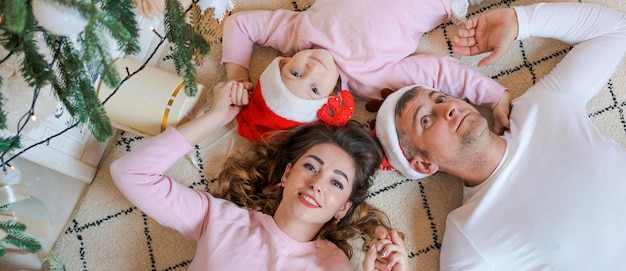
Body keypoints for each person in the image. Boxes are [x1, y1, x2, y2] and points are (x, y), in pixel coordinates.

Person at [375, 2, 626, 269]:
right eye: (426, 120)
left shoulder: (538, 109)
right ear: (424, 164)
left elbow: (615, 30)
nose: (448, 107)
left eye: (440, 97)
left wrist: (520, 21)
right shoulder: (469, 236)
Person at [110, 80, 408, 270]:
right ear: (287, 174)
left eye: (336, 182)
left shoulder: (333, 265)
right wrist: (215, 117)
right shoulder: (221, 219)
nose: (317, 183)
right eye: (311, 167)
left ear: (342, 208)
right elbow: (130, 173)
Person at [221, 0, 513, 141]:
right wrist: (494, 95)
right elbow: (440, 71)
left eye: (294, 74)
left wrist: (237, 78)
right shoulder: (369, 80)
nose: (311, 69)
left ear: (282, 62)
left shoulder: (296, 34)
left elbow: (240, 25)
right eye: (314, 88)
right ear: (329, 100)